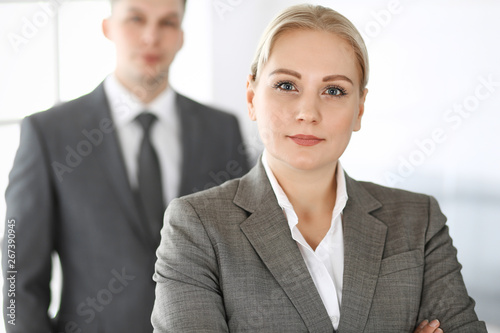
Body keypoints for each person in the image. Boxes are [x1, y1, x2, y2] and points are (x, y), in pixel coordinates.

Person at [151, 4, 487, 333]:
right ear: (252, 97)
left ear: (359, 110)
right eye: (286, 85)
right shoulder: (197, 227)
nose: (308, 112)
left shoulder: (419, 220)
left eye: (333, 90)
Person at [2, 0, 249, 332]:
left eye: (167, 23)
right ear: (108, 28)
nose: (151, 36)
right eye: (136, 19)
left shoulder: (221, 130)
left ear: (181, 36)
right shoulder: (50, 134)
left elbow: (243, 262)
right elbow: (19, 275)